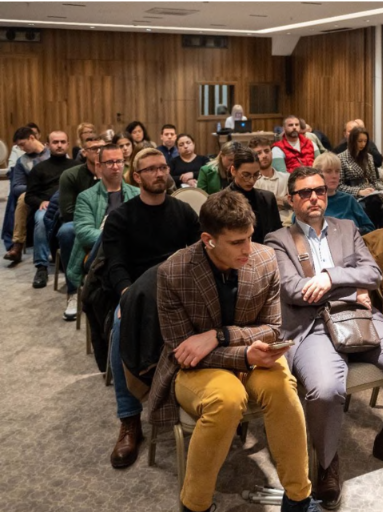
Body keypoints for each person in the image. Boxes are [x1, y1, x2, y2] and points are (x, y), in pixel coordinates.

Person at [265, 167, 383, 509]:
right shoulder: (277, 240)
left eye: (320, 191)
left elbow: (371, 274)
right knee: (327, 390)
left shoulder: (347, 228)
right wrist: (349, 287)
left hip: (360, 317)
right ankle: (327, 462)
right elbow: (294, 290)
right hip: (311, 327)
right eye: (305, 193)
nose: (314, 197)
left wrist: (329, 278)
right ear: (291, 199)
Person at [147, 190, 319, 512]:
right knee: (227, 399)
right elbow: (183, 351)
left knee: (282, 389)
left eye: (250, 238)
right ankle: (194, 506)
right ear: (208, 240)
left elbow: (272, 328)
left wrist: (220, 335)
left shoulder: (264, 258)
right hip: (197, 369)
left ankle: (299, 499)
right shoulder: (173, 272)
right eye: (237, 242)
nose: (247, 249)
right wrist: (241, 354)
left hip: (253, 355)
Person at [103, 148, 200, 469]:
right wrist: (130, 299)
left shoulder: (184, 211)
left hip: (179, 289)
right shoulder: (121, 217)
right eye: (151, 169)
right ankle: (129, 419)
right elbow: (115, 267)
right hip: (138, 292)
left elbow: (199, 255)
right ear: (137, 176)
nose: (160, 173)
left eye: (163, 168)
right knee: (120, 325)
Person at [66, 143, 140, 295]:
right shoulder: (86, 197)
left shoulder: (137, 193)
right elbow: (84, 233)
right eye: (110, 162)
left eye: (119, 161)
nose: (115, 167)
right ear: (99, 166)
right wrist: (119, 238)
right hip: (99, 255)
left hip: (133, 252)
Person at [24, 132, 80, 300]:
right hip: (48, 205)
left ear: (68, 144)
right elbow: (29, 196)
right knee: (40, 219)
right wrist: (41, 202)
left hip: (71, 207)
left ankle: (69, 261)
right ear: (47, 144)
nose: (59, 145)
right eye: (55, 142)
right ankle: (41, 267)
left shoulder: (76, 166)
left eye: (63, 142)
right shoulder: (39, 168)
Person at [57, 134, 106, 298]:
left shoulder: (114, 171)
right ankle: (73, 291)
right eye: (94, 149)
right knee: (66, 231)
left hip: (108, 221)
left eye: (102, 148)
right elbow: (68, 212)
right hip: (80, 223)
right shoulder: (70, 175)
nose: (99, 152)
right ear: (84, 152)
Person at [3, 126, 50, 262]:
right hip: (34, 194)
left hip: (55, 192)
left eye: (22, 144)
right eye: (19, 146)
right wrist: (35, 188)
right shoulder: (22, 161)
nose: (22, 148)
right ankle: (17, 245)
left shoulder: (52, 154)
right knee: (23, 198)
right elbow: (16, 187)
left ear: (32, 138)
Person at [227, 146, 282, 245]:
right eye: (246, 175)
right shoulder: (220, 201)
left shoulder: (268, 198)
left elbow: (277, 234)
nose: (252, 180)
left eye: (256, 174)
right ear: (233, 171)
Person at [313, 152, 374, 234]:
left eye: (337, 171)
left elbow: (370, 228)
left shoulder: (348, 200)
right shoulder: (312, 200)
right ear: (318, 174)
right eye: (328, 171)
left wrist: (355, 230)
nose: (334, 176)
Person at [339, 126, 383, 228]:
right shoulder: (341, 158)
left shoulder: (368, 157)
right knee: (368, 206)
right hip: (353, 195)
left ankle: (377, 232)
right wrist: (359, 192)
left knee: (381, 203)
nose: (363, 144)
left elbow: (375, 181)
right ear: (352, 141)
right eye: (359, 141)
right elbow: (339, 186)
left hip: (371, 193)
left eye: (365, 141)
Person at [249, 135, 292, 226]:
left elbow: (293, 202)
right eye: (259, 153)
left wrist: (266, 202)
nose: (264, 155)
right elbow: (256, 207)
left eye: (267, 151)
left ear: (272, 153)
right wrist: (282, 200)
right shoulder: (251, 181)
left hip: (287, 224)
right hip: (261, 226)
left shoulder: (287, 177)